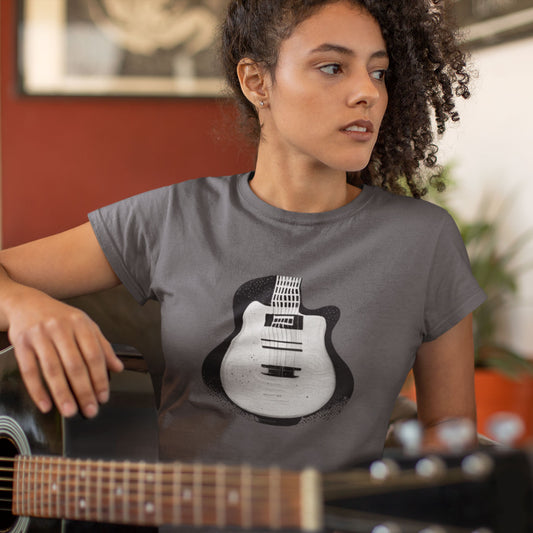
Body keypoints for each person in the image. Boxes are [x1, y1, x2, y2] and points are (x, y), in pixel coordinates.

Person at [0, 0, 485, 470]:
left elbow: (449, 428)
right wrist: (27, 306)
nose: (369, 93)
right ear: (257, 82)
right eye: (333, 67)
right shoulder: (171, 217)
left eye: (378, 72)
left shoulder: (425, 240)